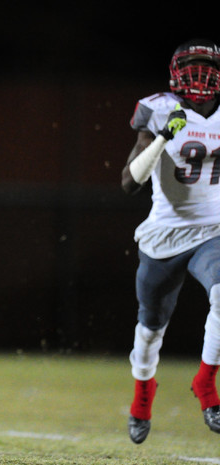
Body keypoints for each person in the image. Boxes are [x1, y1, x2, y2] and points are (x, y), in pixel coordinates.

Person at [121, 38, 220, 444]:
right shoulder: (158, 107)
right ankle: (142, 398)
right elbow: (129, 182)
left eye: (208, 66)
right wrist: (161, 137)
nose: (201, 74)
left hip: (212, 230)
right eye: (193, 65)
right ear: (174, 73)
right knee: (149, 329)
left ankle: (206, 385)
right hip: (163, 235)